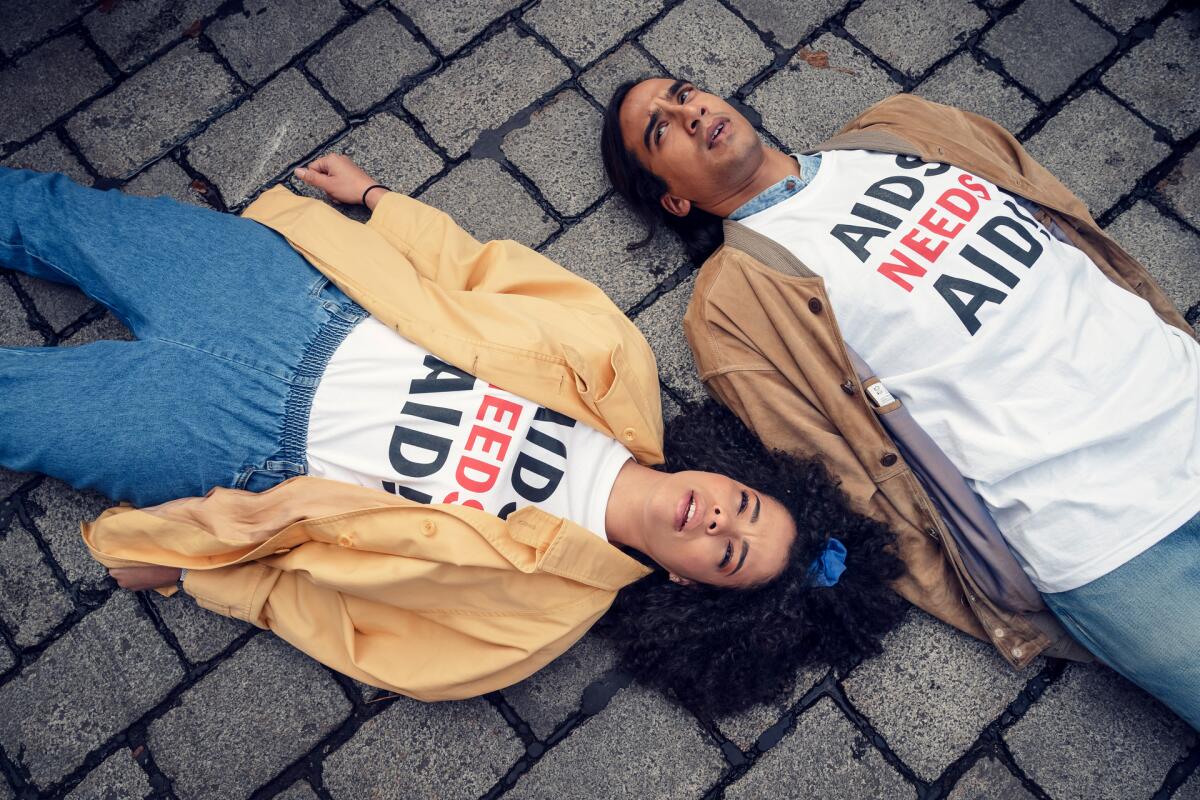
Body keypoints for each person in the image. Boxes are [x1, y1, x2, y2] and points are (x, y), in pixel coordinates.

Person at [0, 159, 904, 716]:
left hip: (226, 446)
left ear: (688, 583)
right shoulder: (615, 362)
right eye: (745, 508)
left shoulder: (532, 626)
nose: (716, 522)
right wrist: (379, 202)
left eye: (727, 556)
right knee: (47, 214)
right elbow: (483, 273)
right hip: (295, 305)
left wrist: (203, 572)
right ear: (735, 476)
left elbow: (351, 628)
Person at [602, 79, 1200, 728]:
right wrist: (1003, 609)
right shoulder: (731, 306)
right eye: (660, 130)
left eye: (684, 94)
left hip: (1179, 388)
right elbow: (851, 484)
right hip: (1100, 532)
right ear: (674, 198)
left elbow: (1074, 231)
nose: (688, 114)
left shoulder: (900, 126)